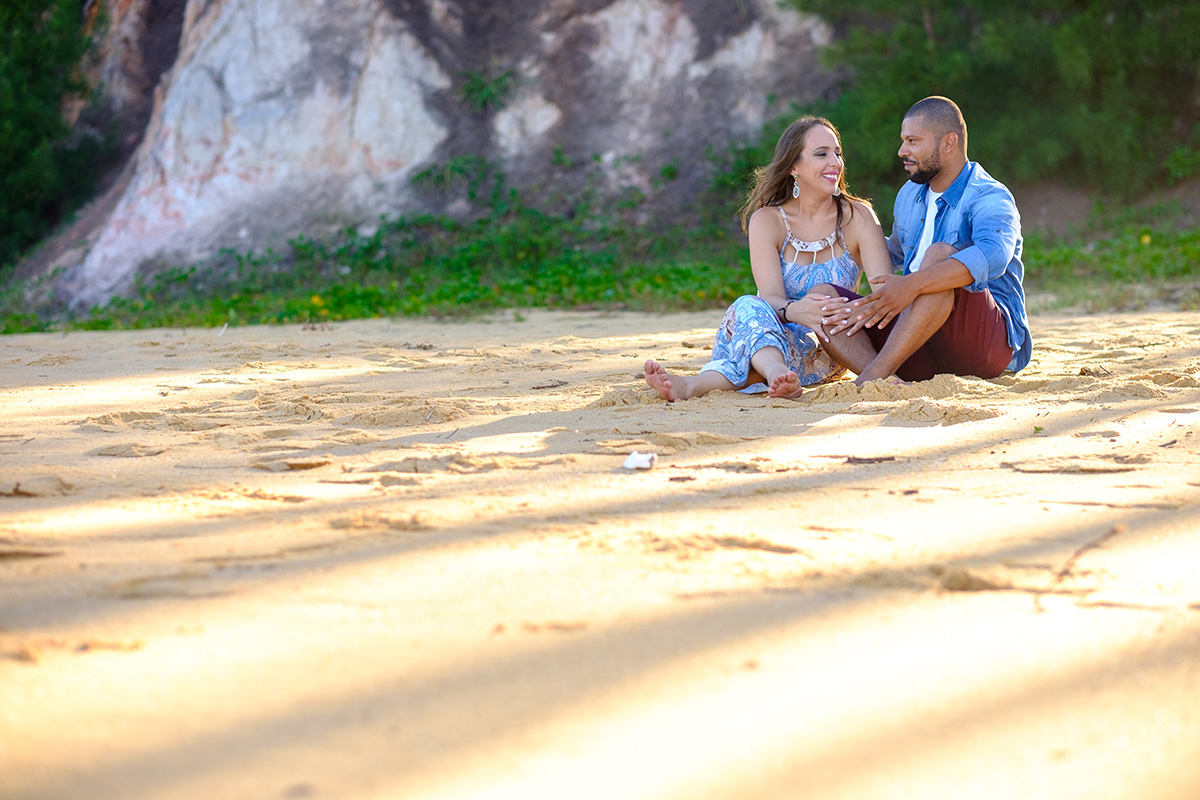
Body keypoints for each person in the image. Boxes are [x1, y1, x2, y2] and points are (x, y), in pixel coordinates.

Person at [644, 116, 893, 401]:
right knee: (749, 306)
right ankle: (773, 375)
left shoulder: (858, 216)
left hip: (829, 344)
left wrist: (842, 314)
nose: (835, 162)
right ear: (793, 167)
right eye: (821, 153)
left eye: (837, 152)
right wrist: (794, 311)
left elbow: (884, 295)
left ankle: (697, 385)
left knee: (752, 354)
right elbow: (771, 298)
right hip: (768, 330)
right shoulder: (767, 220)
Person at [821, 96, 1032, 384]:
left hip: (982, 348)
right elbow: (893, 252)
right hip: (918, 340)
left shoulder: (988, 196)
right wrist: (838, 233)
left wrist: (911, 284)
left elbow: (994, 255)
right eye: (903, 141)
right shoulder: (909, 194)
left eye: (912, 141)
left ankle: (873, 376)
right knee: (823, 299)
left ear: (949, 143)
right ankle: (891, 380)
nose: (901, 151)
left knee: (939, 255)